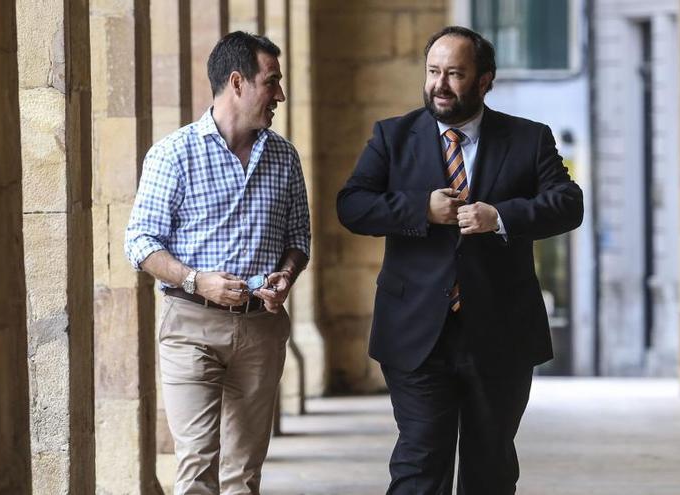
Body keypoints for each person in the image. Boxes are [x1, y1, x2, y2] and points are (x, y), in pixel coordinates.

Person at [336, 26, 584, 494]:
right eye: (433, 72)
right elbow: (352, 205)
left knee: (489, 468)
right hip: (415, 334)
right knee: (419, 463)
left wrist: (502, 216)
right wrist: (419, 209)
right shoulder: (392, 137)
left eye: (454, 74)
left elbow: (569, 204)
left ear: (485, 80)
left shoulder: (529, 139)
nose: (440, 85)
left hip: (501, 333)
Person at [125, 31, 310, 494]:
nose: (280, 95)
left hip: (261, 328)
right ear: (237, 82)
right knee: (196, 469)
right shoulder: (173, 153)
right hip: (191, 329)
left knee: (244, 474)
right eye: (272, 82)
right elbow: (140, 242)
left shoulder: (285, 156)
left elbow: (299, 238)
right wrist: (196, 280)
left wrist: (286, 275)